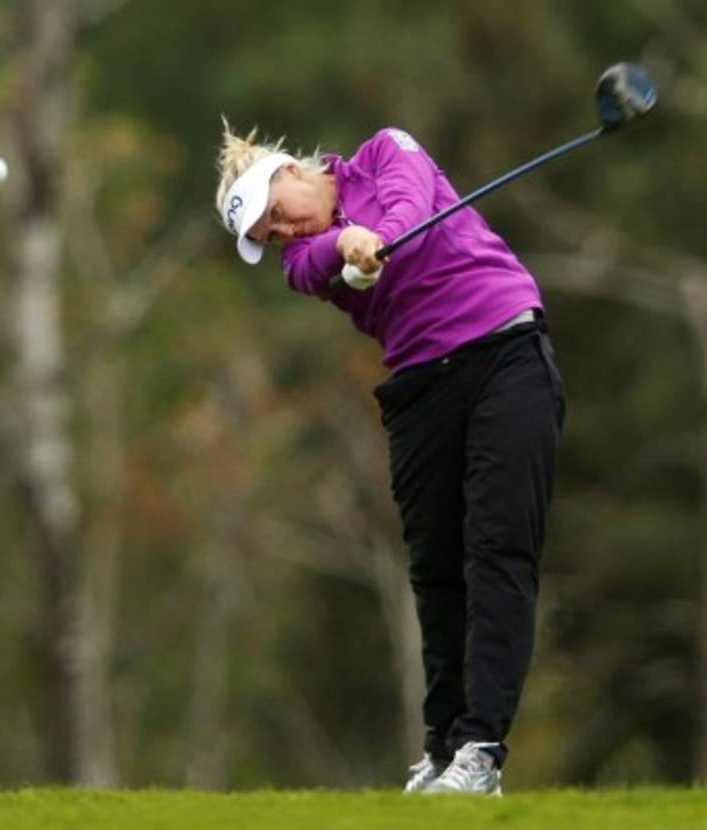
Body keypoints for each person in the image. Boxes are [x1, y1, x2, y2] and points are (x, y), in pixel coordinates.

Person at [214, 122, 566, 795]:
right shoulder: (302, 263)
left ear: (291, 173)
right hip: (420, 390)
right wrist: (344, 245)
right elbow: (318, 263)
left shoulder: (384, 152)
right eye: (267, 235)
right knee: (436, 568)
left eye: (276, 217)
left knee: (497, 551)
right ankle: (442, 748)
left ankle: (480, 750)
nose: (282, 234)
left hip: (506, 355)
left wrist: (377, 236)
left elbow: (412, 201)